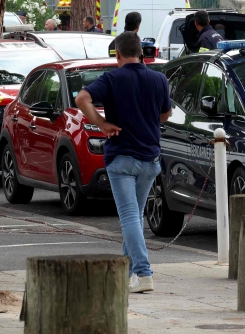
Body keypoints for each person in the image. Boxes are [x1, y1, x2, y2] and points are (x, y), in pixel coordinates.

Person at [75, 32, 169, 294]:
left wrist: (102, 124)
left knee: (129, 217)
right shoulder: (159, 78)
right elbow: (165, 113)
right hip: (150, 158)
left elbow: (81, 99)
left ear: (117, 54)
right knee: (136, 217)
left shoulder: (111, 78)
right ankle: (127, 274)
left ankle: (144, 272)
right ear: (141, 53)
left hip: (121, 158)